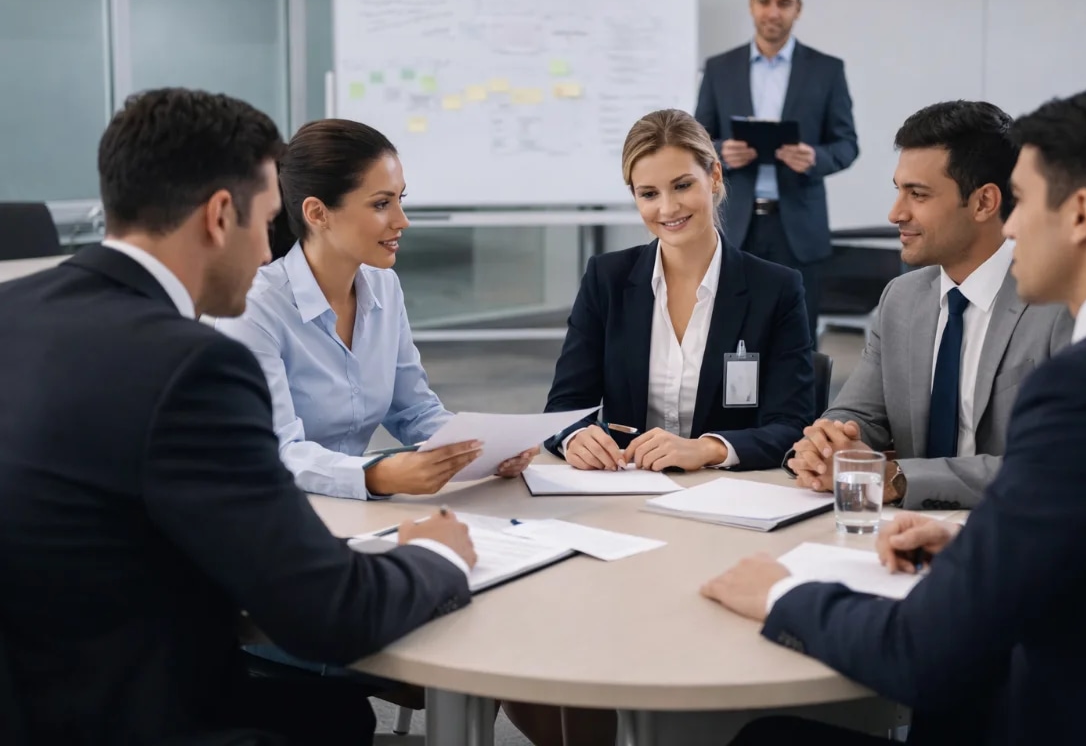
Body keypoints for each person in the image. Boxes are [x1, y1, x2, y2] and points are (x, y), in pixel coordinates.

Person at [702, 85, 1086, 745]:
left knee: (763, 740)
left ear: (1080, 214)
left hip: (1051, 714)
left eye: (1024, 201)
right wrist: (975, 546)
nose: (1014, 227)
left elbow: (923, 654)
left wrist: (779, 594)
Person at [0, 88, 480, 746]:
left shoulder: (14, 308)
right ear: (220, 215)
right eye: (266, 222)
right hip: (135, 714)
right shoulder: (190, 365)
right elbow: (328, 615)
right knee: (335, 720)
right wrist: (434, 554)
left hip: (35, 696)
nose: (266, 253)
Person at [214, 118, 537, 501]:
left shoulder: (384, 287)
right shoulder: (254, 309)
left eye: (401, 199)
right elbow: (277, 450)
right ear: (317, 213)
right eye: (381, 204)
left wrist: (480, 450)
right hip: (269, 509)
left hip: (354, 509)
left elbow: (413, 410)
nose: (402, 220)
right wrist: (377, 475)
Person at [784, 101, 1072, 510]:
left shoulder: (1059, 304)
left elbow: (1055, 463)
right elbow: (856, 416)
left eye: (917, 194)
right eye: (898, 190)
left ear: (984, 203)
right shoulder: (901, 298)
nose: (895, 213)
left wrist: (900, 479)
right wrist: (828, 446)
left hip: (1012, 530)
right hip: (899, 534)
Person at [544, 108, 815, 473]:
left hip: (729, 496)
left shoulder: (776, 288)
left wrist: (708, 449)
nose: (668, 208)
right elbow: (564, 406)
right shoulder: (606, 279)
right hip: (626, 492)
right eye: (649, 194)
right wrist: (576, 438)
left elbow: (792, 426)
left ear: (714, 176)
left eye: (682, 185)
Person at [695, 0, 859, 346]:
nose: (773, 12)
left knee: (798, 337)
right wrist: (720, 152)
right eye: (764, 1)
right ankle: (732, 409)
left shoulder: (826, 70)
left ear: (797, 8)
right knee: (731, 333)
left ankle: (803, 410)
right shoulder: (720, 69)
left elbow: (847, 144)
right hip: (735, 224)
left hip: (798, 227)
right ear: (751, 4)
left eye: (783, 3)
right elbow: (697, 140)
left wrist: (815, 158)